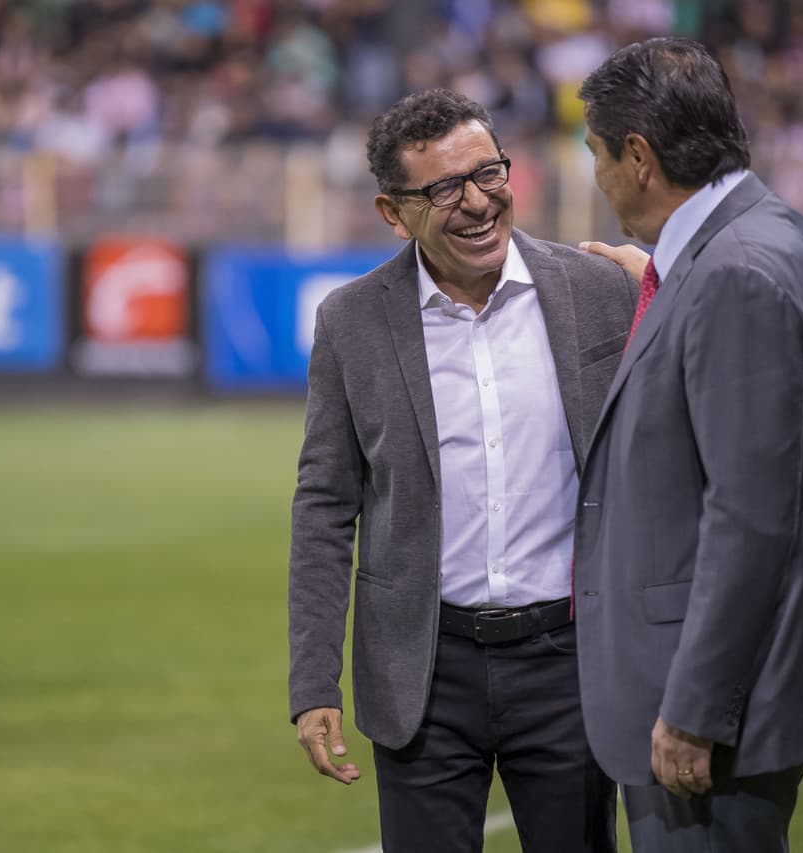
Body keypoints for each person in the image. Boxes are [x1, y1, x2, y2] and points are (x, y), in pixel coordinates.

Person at [288, 88, 636, 852]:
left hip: (569, 666)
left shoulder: (599, 290)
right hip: (424, 674)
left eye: (488, 173)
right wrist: (314, 681)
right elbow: (323, 506)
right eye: (445, 188)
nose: (478, 202)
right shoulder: (350, 321)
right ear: (392, 210)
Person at [573, 37, 803, 852]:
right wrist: (664, 285)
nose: (594, 178)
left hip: (711, 710)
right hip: (738, 687)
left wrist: (695, 709)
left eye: (597, 154)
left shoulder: (732, 274)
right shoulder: (765, 233)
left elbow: (749, 513)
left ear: (638, 157)